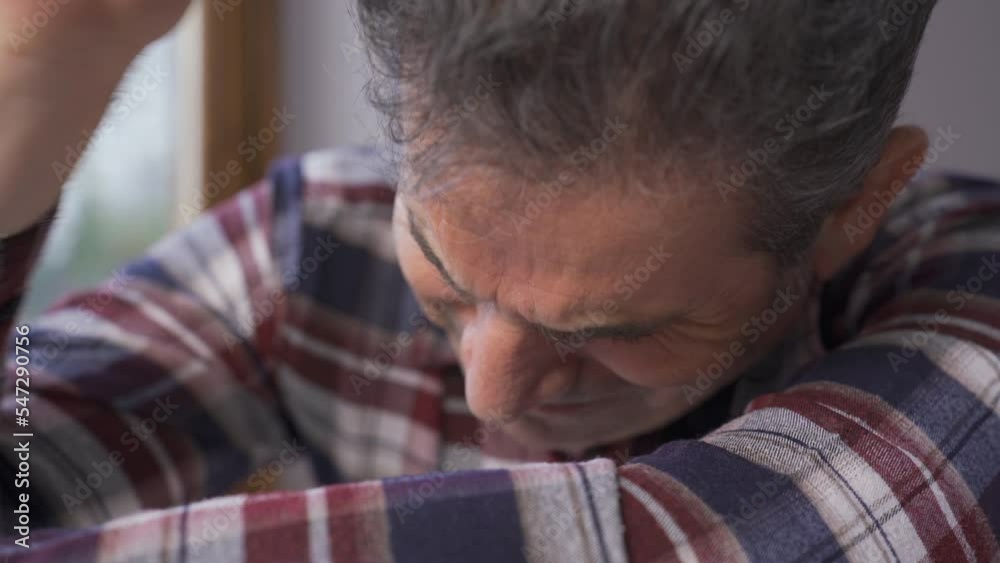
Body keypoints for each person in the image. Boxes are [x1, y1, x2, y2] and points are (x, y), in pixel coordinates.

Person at [2, 0, 999, 561]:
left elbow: (750, 535)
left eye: (609, 326)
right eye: (443, 271)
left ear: (854, 205)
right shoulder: (316, 244)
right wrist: (35, 73)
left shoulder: (975, 294)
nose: (492, 393)